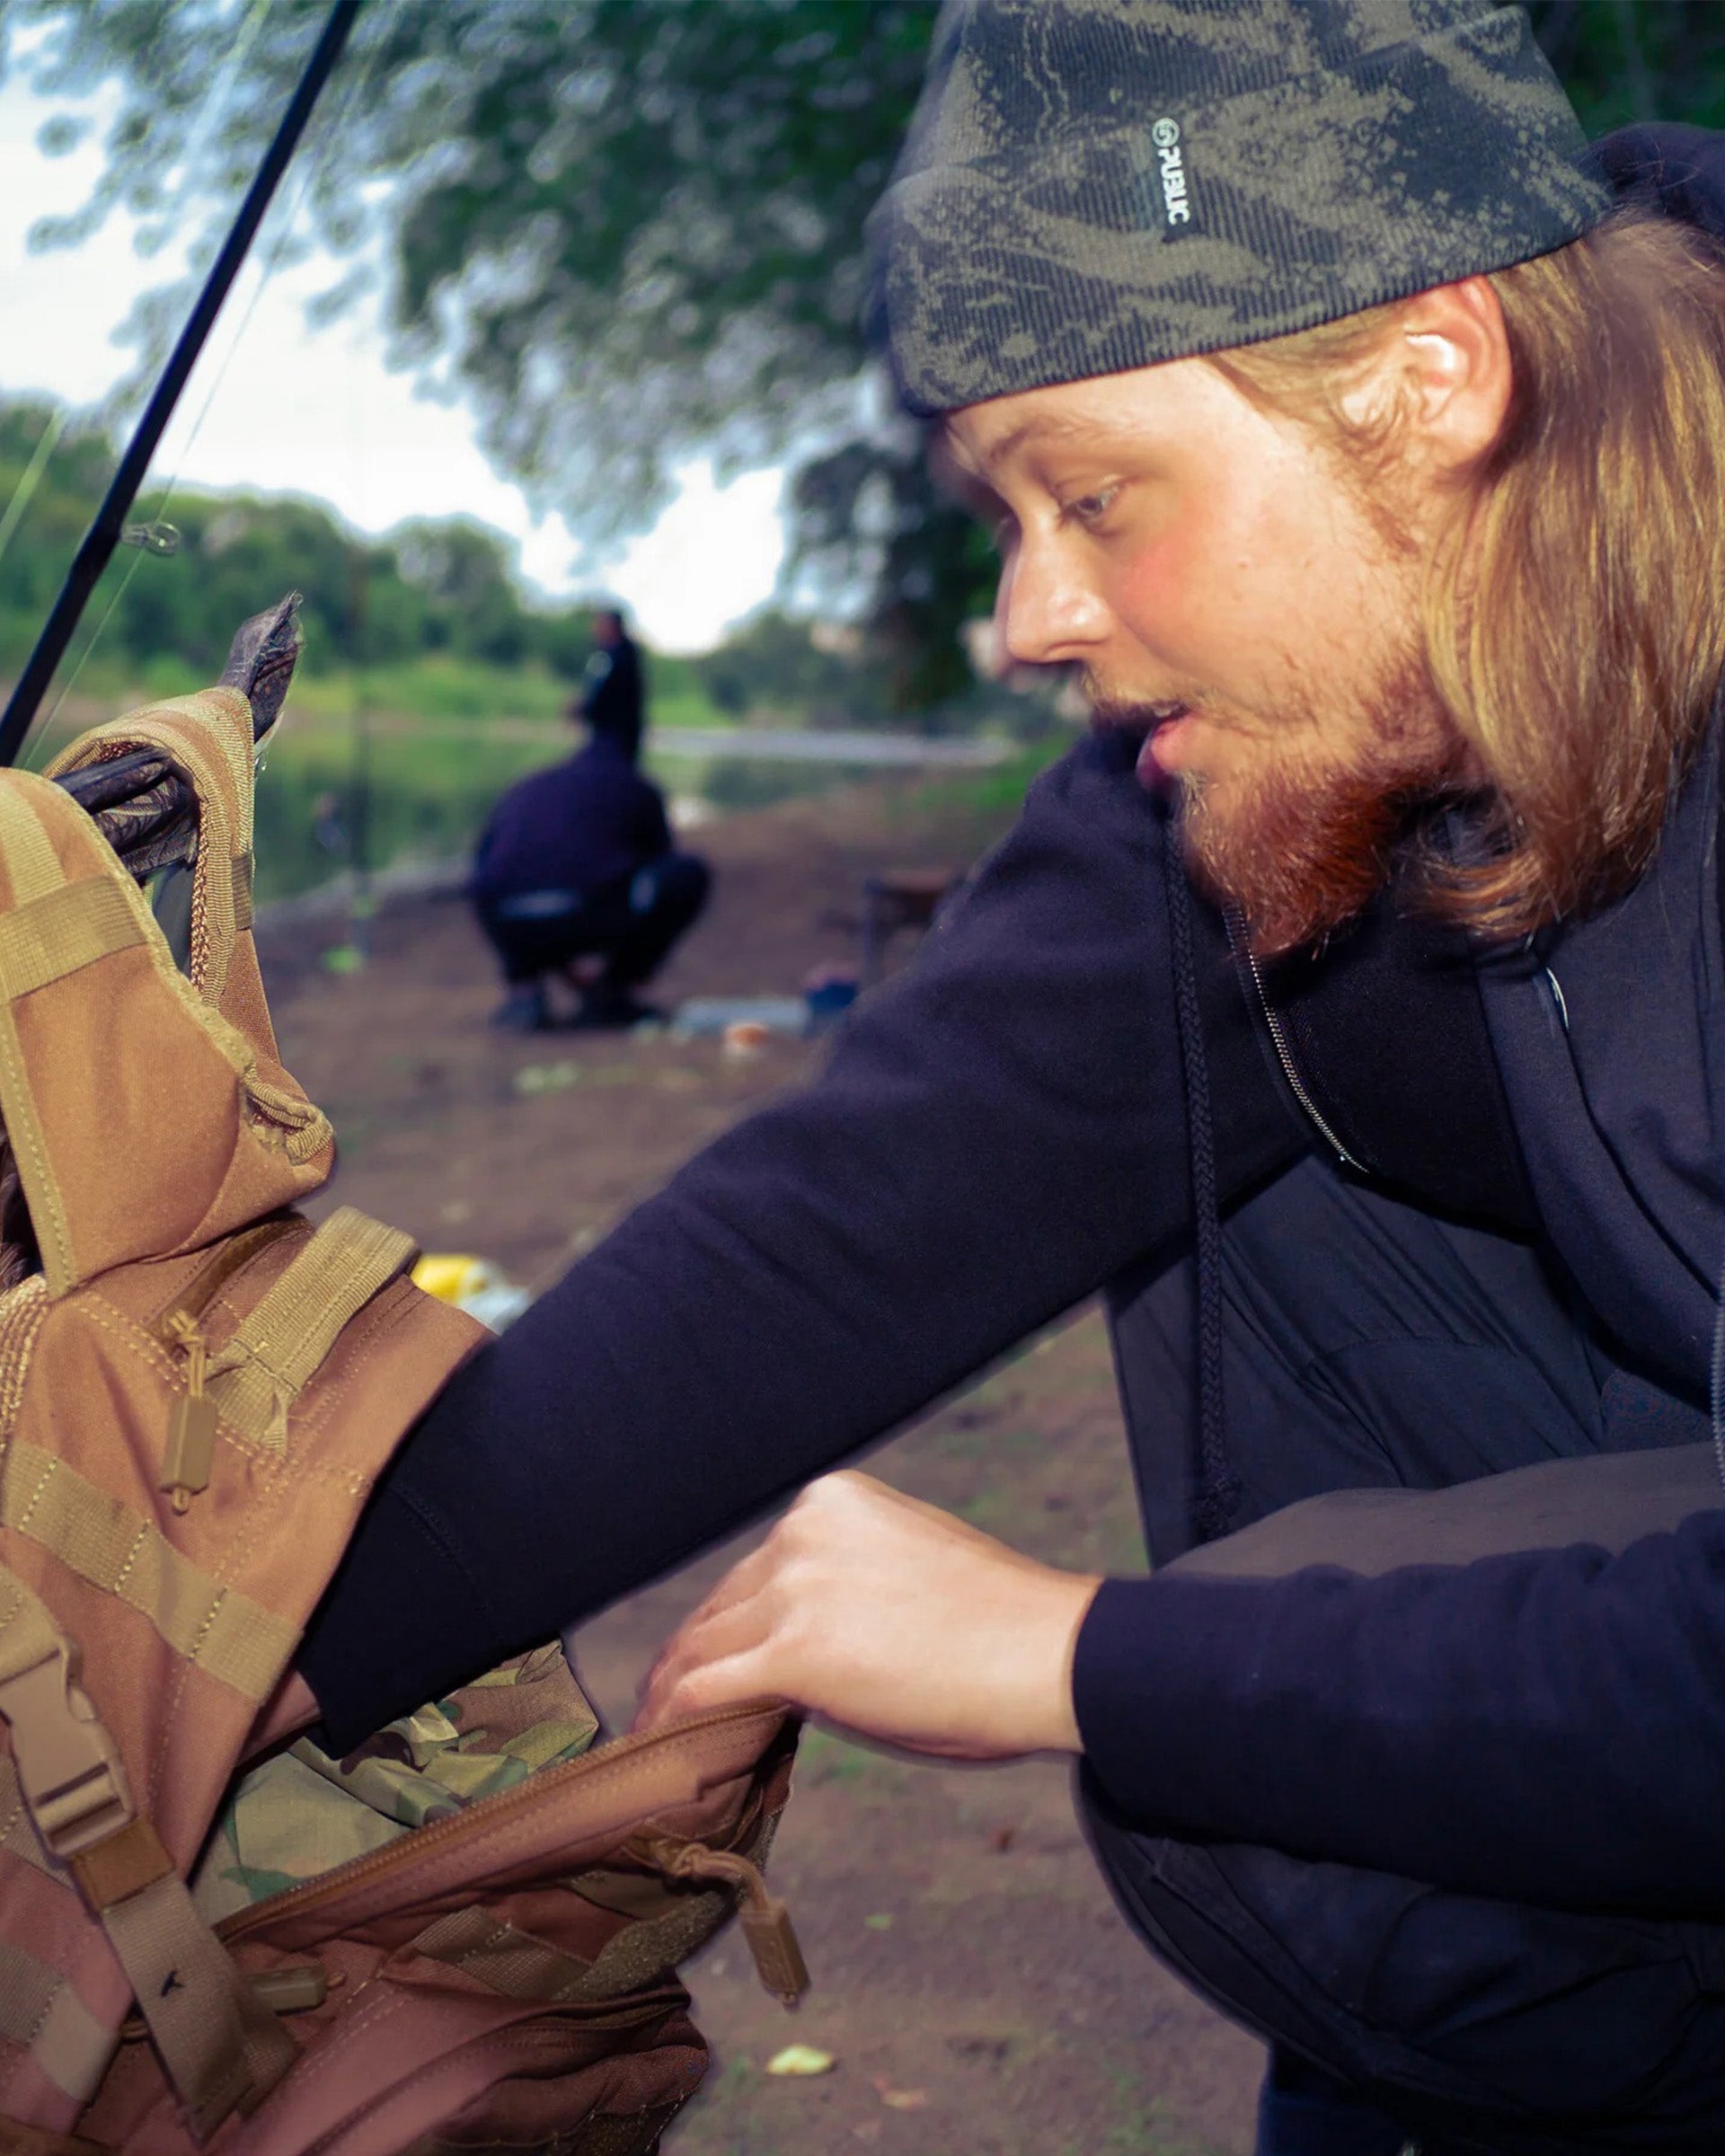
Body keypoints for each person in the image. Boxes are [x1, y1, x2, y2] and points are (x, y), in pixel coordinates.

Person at [283, 7, 1725, 2148]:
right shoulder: (1230, 778)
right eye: (997, 512)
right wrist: (159, 1676)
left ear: (1429, 383)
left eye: (1090, 494)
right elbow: (815, 1249)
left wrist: (1070, 1652)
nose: (1023, 616)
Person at [469, 606, 710, 1029]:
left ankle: (525, 988)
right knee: (684, 874)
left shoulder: (530, 787)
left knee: (495, 873)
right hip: (590, 920)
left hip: (512, 925)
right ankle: (614, 991)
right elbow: (659, 873)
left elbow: (482, 866)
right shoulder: (638, 789)